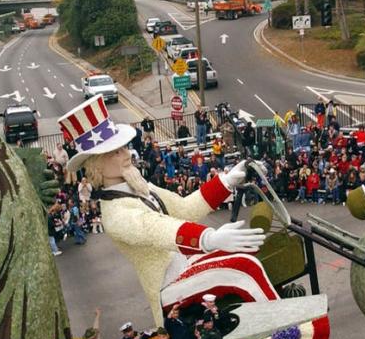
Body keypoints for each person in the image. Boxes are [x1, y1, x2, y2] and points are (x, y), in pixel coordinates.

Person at [65, 97, 265, 325]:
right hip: (168, 285)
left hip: (186, 264)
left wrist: (226, 182)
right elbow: (156, 228)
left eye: (124, 148)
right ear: (97, 165)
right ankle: (283, 335)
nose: (127, 155)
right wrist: (209, 238)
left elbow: (184, 209)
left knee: (248, 252)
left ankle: (261, 326)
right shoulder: (115, 213)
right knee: (244, 269)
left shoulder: (142, 187)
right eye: (116, 152)